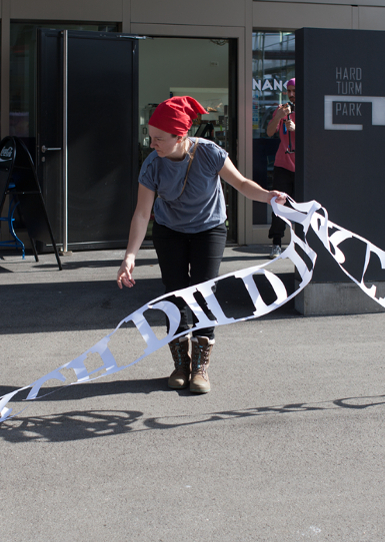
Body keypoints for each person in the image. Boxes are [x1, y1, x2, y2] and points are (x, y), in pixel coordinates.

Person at [117, 96, 288, 394]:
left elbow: (242, 184)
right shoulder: (152, 165)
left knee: (203, 294)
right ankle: (180, 363)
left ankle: (201, 367)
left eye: (159, 138)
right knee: (175, 296)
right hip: (169, 230)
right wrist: (130, 256)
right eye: (150, 136)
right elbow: (143, 212)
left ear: (180, 136)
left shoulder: (209, 153)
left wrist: (268, 195)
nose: (152, 143)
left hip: (209, 229)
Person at [265, 78, 296, 258]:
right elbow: (270, 132)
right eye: (289, 91)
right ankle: (276, 242)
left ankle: (300, 244)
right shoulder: (282, 109)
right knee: (279, 204)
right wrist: (278, 116)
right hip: (282, 165)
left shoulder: (308, 107)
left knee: (300, 207)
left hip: (301, 166)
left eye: (294, 91)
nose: (291, 94)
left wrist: (295, 128)